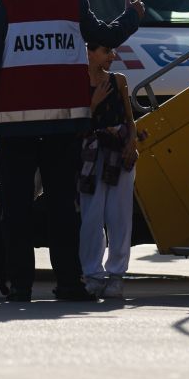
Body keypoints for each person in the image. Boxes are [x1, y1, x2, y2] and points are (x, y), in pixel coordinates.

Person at [0, 0, 142, 303]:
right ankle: (70, 283)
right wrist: (131, 16)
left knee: (16, 209)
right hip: (64, 127)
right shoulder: (74, 6)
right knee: (62, 207)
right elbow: (106, 37)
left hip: (15, 129)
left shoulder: (0, 9)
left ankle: (20, 285)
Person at [78, 42, 140, 301]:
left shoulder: (119, 81)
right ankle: (92, 274)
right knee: (91, 215)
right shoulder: (75, 81)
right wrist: (92, 104)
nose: (113, 56)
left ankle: (116, 274)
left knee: (119, 214)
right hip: (90, 153)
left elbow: (130, 118)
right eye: (107, 51)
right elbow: (75, 123)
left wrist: (131, 142)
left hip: (118, 152)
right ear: (90, 52)